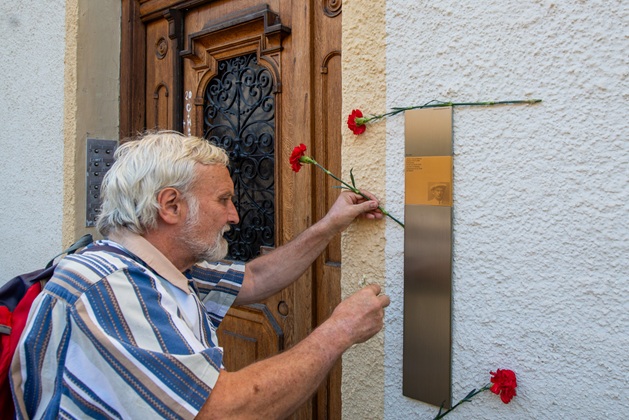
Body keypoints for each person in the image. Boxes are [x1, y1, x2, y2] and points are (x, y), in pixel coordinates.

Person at [10, 131, 390, 419]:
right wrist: (340, 331)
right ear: (171, 205)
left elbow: (255, 279)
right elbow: (220, 410)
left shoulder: (159, 264)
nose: (234, 216)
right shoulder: (110, 285)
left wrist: (329, 224)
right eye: (223, 199)